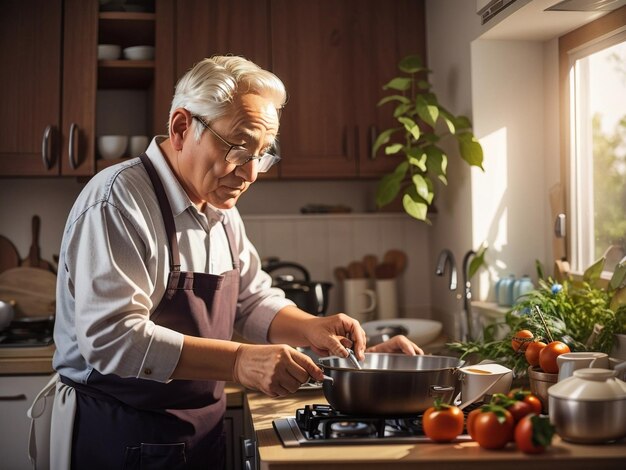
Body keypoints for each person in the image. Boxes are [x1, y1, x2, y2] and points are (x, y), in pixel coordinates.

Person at [50, 55, 423, 469]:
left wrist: (310, 327)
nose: (251, 173)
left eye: (262, 154)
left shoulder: (221, 209)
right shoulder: (119, 200)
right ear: (180, 128)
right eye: (239, 149)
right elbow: (113, 338)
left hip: (199, 437)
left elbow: (250, 300)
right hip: (121, 438)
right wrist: (239, 361)